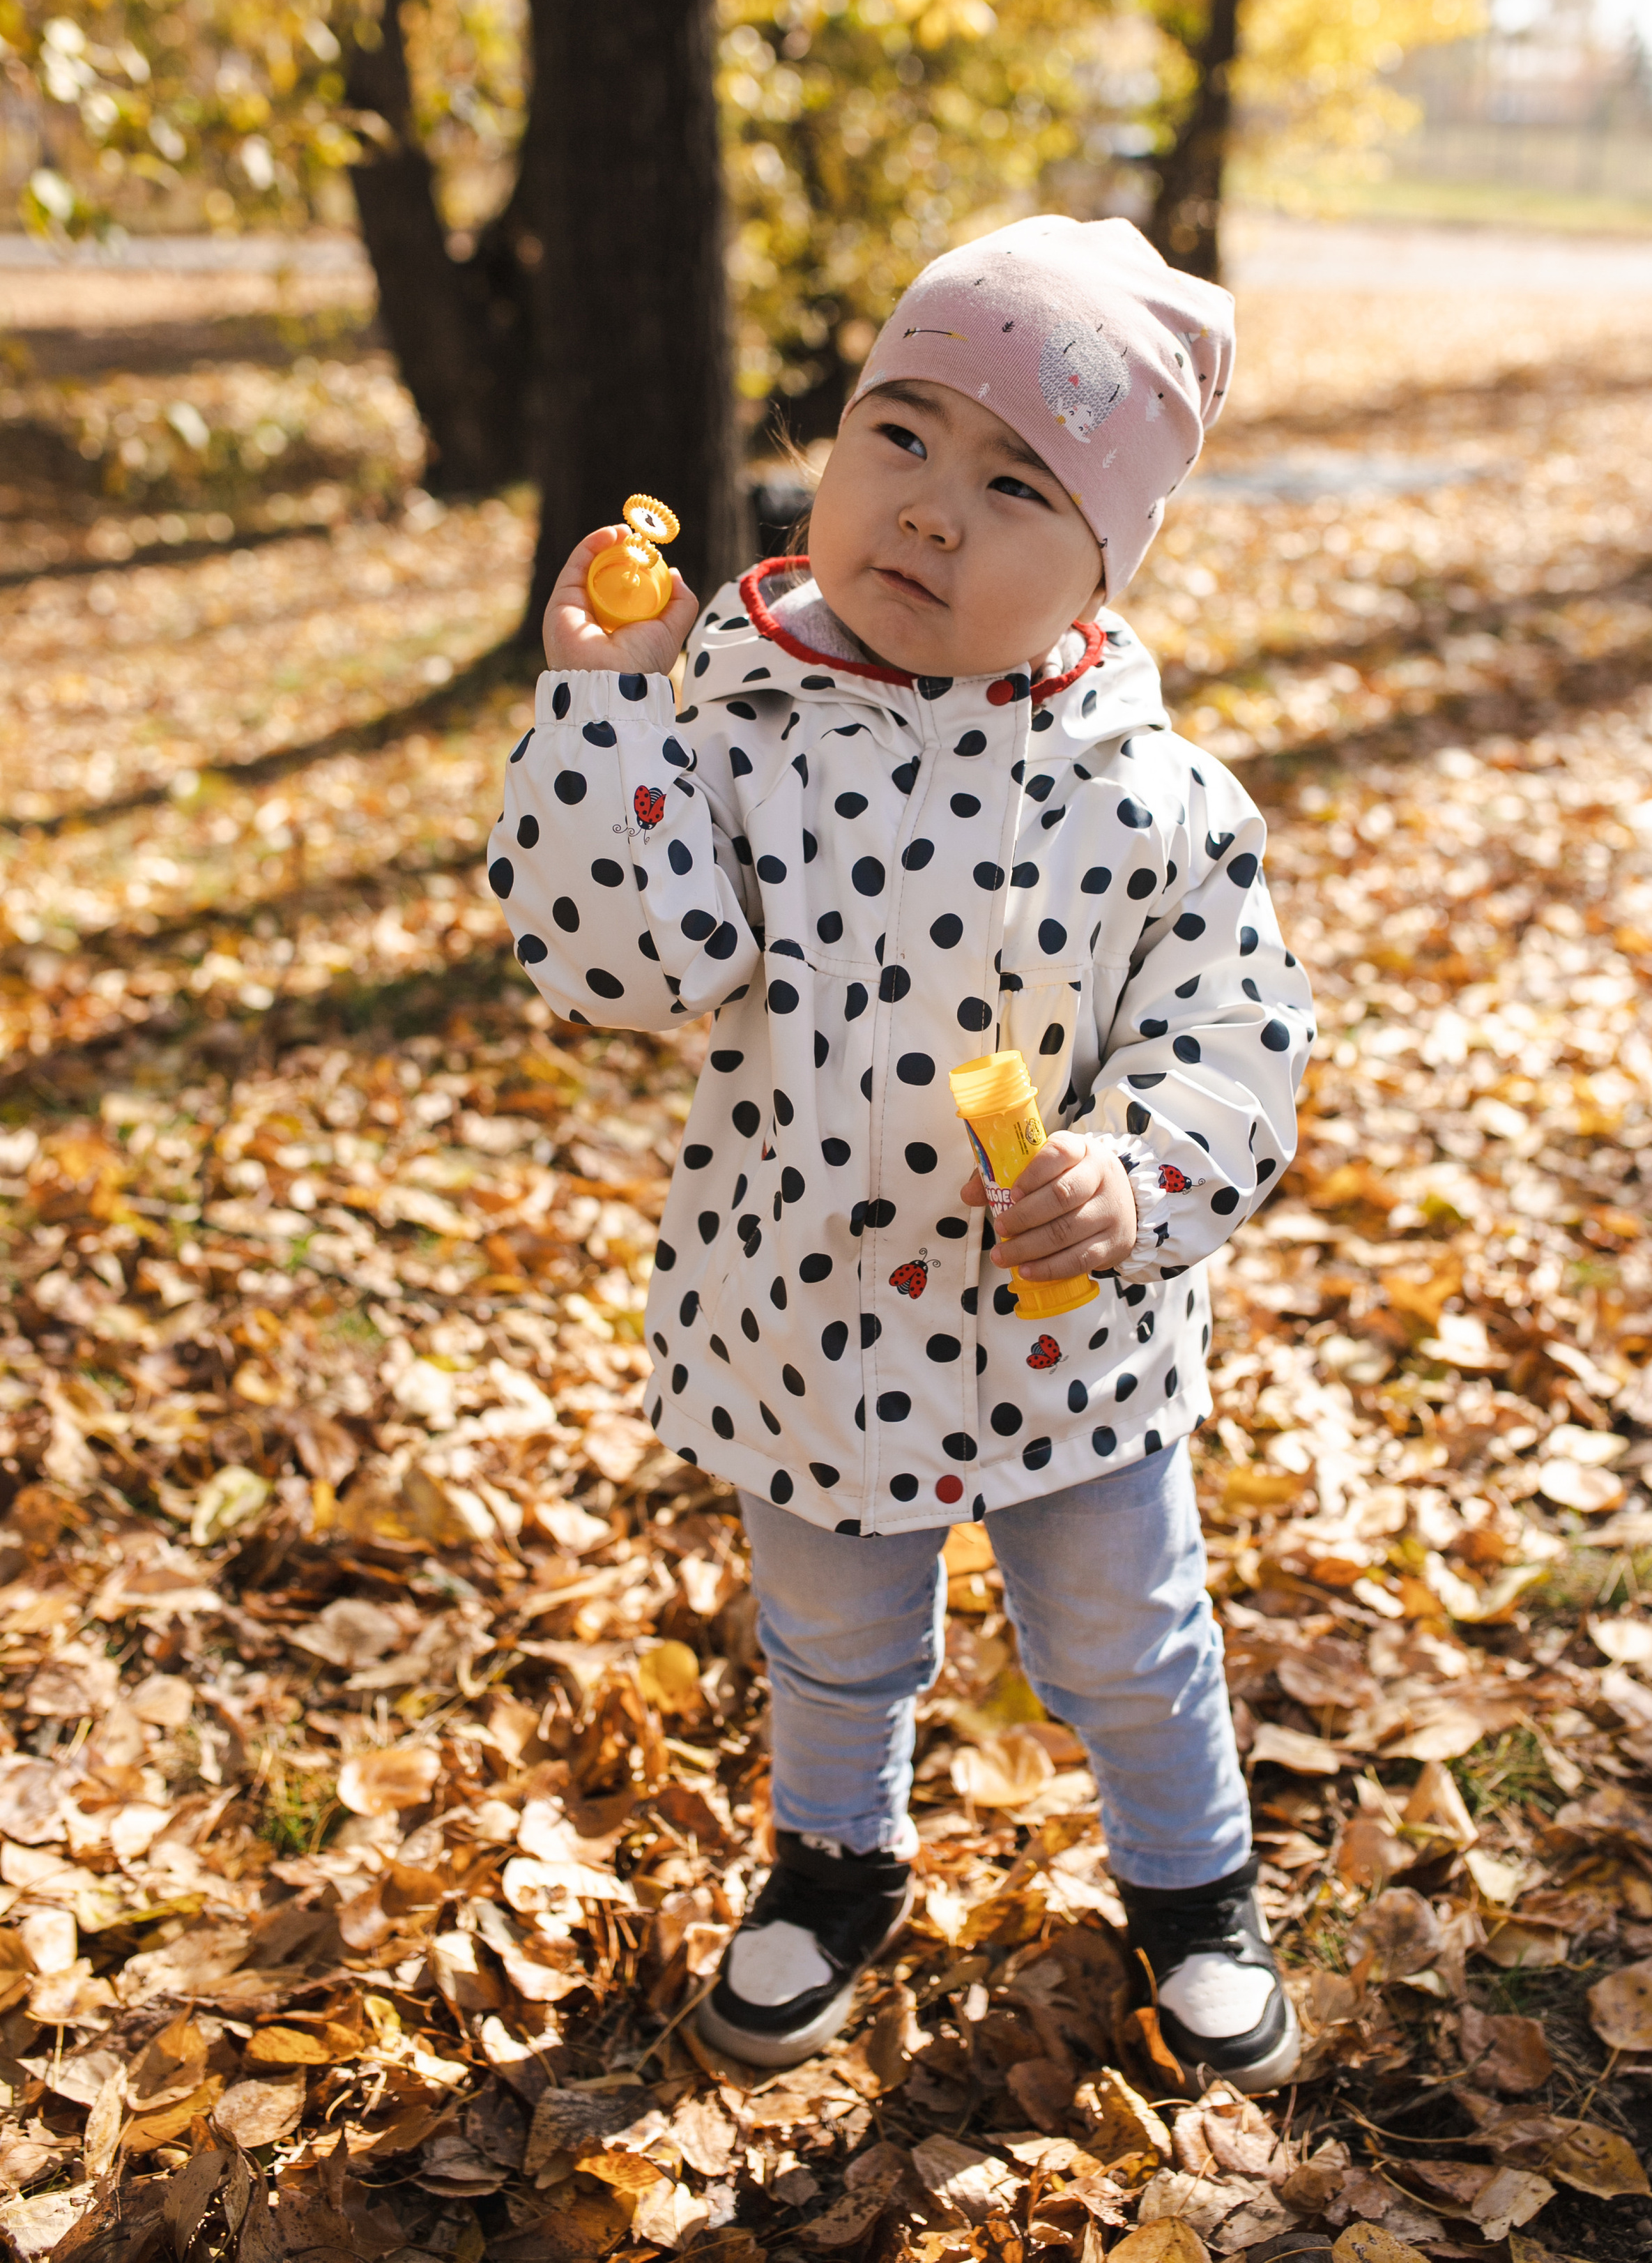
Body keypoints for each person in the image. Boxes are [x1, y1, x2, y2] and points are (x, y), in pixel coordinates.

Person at [487, 215, 1314, 2089]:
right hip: (812, 1307)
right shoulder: (732, 718)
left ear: (1107, 559)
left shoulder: (1156, 799)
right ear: (838, 442)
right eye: (901, 434)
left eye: (1018, 481)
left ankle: (1194, 1891)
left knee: (1125, 1635)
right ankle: (833, 1866)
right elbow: (631, 963)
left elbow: (1234, 1044)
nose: (931, 510)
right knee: (834, 1633)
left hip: (1067, 1330)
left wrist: (1143, 1177)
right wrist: (604, 702)